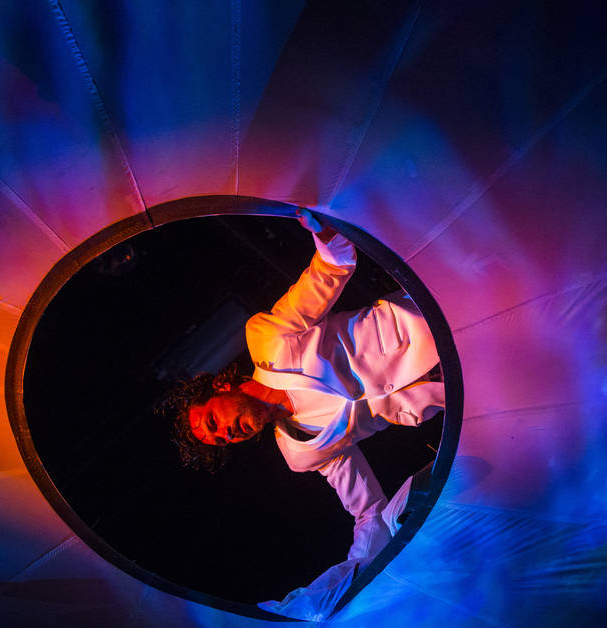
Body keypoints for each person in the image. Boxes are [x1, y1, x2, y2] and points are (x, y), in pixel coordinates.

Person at [160, 209, 444, 562]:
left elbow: (332, 269)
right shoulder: (300, 452)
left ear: (220, 386)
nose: (227, 434)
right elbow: (369, 512)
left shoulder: (267, 341)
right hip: (453, 393)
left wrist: (325, 233)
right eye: (221, 440)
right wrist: (356, 572)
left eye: (214, 422)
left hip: (433, 320)